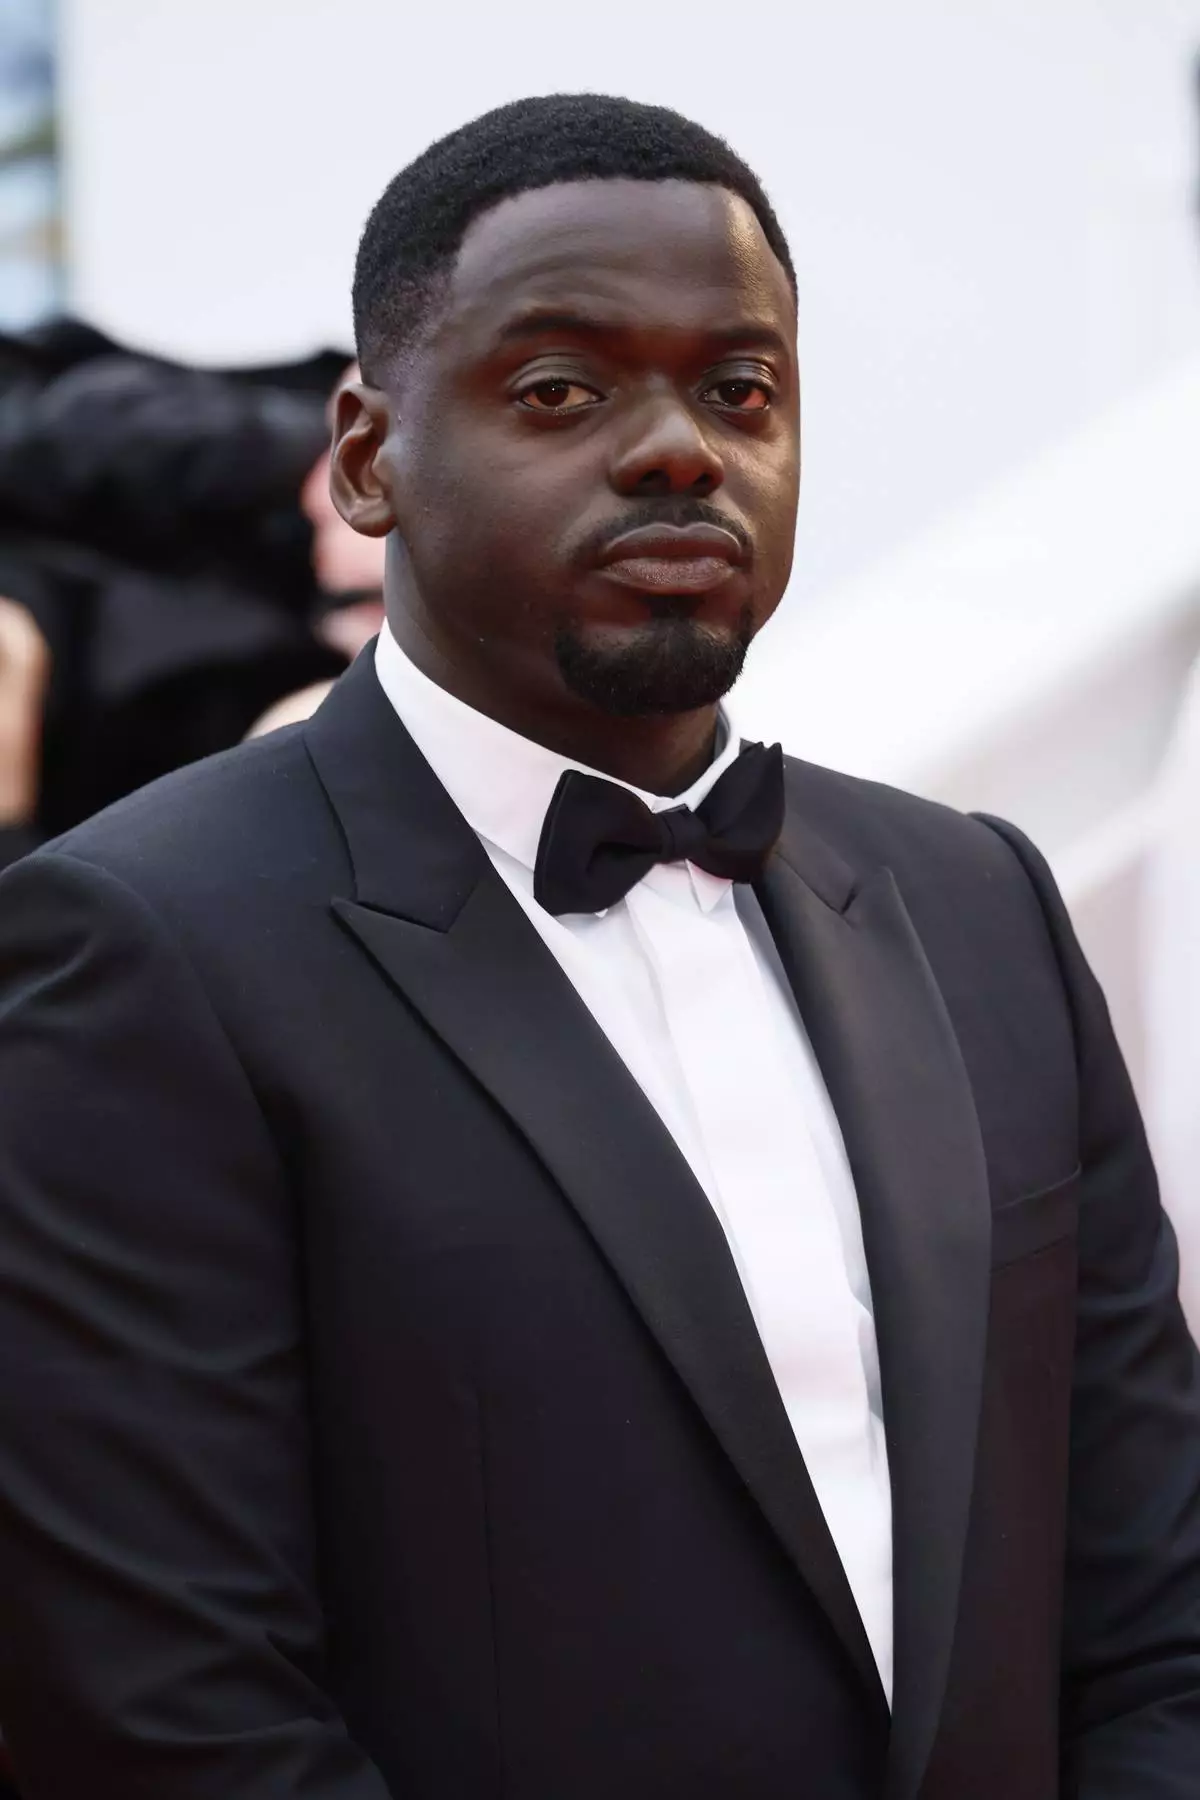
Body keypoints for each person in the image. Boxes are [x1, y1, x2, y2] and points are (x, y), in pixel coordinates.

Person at [0, 93, 1196, 1800]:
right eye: (563, 390)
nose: (678, 449)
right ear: (365, 456)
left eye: (742, 390)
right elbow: (165, 1715)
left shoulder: (979, 903)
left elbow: (1156, 1594)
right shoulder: (138, 952)